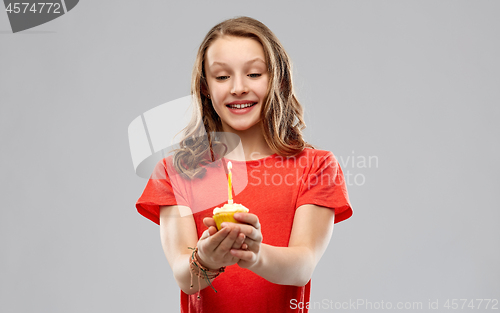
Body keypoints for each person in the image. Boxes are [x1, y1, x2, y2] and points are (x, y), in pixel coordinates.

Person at [136, 16, 352, 313]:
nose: (238, 88)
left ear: (277, 79)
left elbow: (302, 266)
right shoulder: (174, 172)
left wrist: (253, 255)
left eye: (253, 74)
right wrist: (207, 260)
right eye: (222, 77)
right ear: (205, 87)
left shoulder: (317, 167)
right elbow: (184, 276)